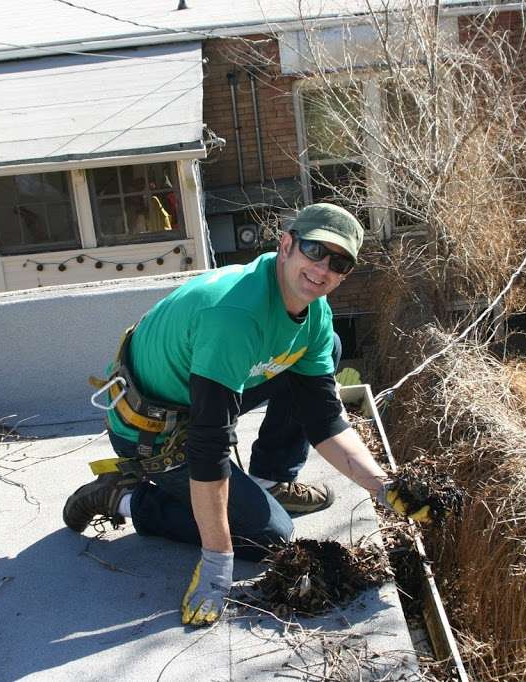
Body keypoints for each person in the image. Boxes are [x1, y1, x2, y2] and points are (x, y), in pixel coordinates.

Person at [62, 203, 428, 627]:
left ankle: (270, 477)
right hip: (151, 428)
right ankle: (124, 497)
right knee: (270, 535)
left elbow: (324, 417)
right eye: (314, 250)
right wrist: (218, 562)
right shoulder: (233, 314)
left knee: (325, 354)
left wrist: (383, 488)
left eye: (339, 261)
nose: (322, 268)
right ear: (286, 245)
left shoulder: (314, 314)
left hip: (199, 396)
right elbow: (209, 444)